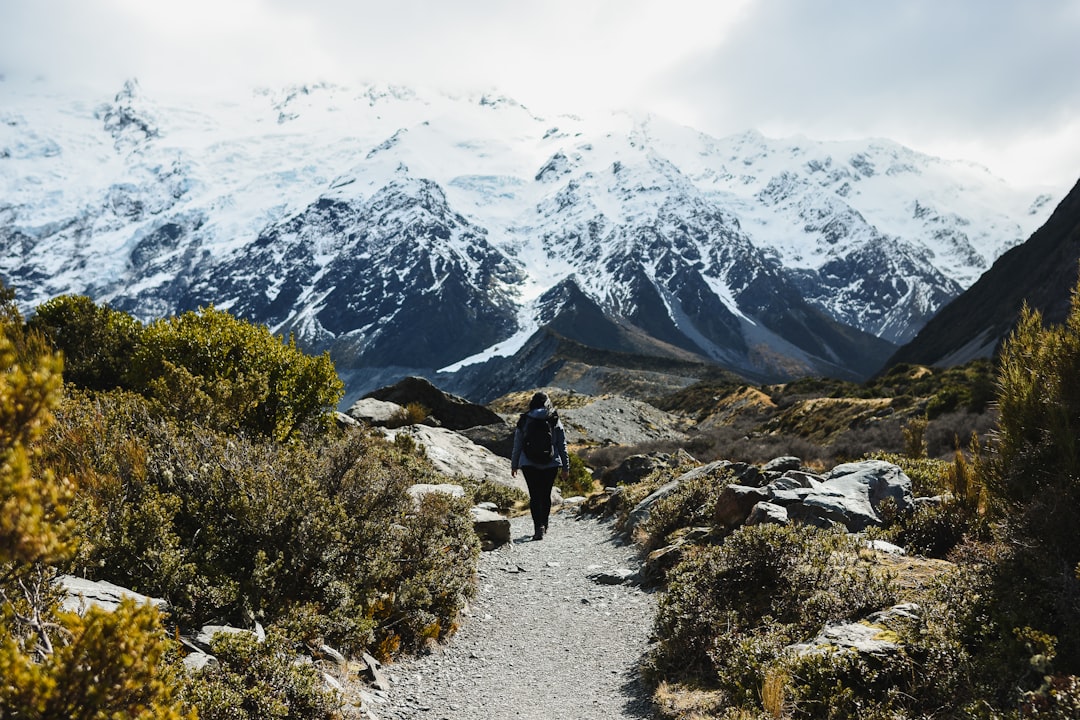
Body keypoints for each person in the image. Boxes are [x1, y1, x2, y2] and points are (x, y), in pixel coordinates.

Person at [511, 391, 569, 541]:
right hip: (551, 464)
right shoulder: (554, 419)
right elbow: (562, 445)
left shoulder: (524, 420)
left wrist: (514, 464)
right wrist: (565, 467)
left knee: (535, 496)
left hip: (529, 464)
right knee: (545, 495)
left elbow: (517, 445)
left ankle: (538, 528)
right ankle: (545, 523)